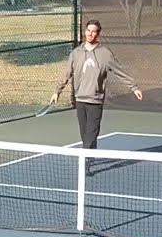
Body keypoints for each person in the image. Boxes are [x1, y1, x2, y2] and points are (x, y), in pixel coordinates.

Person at [51, 19, 143, 154]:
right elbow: (67, 74)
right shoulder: (76, 53)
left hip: (95, 100)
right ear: (85, 32)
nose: (90, 34)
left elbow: (120, 71)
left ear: (98, 34)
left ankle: (86, 158)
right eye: (88, 31)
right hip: (80, 99)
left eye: (94, 32)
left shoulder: (105, 54)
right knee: (84, 133)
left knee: (92, 131)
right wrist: (57, 91)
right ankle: (90, 155)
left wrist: (134, 87)